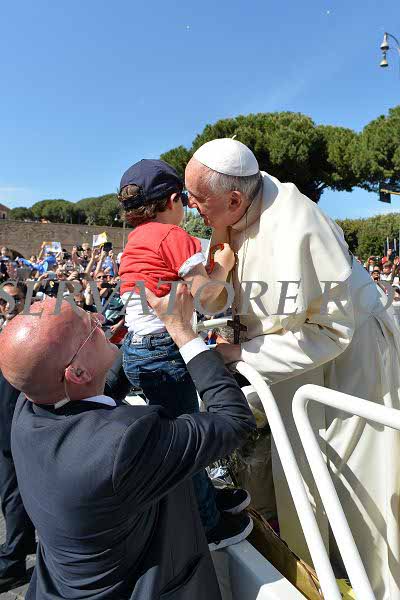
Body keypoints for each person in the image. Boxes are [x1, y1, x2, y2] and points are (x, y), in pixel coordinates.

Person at [185, 137, 400, 600]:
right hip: (292, 368)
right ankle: (313, 573)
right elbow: (223, 298)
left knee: (357, 487)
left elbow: (332, 331)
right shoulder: (231, 214)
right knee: (301, 475)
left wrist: (241, 355)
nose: (191, 207)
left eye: (196, 198)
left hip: (350, 368)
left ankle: (374, 587)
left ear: (234, 199)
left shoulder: (299, 224)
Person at [0, 289, 256, 600]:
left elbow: (99, 389)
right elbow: (234, 421)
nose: (100, 318)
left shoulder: (31, 407)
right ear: (77, 372)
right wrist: (182, 331)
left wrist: (143, 326)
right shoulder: (122, 445)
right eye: (92, 327)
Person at [118, 159, 251, 549]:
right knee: (188, 441)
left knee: (178, 429)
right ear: (173, 200)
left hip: (136, 351)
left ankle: (208, 498)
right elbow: (209, 300)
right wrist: (223, 267)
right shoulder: (172, 236)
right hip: (164, 349)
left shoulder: (136, 241)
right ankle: (208, 526)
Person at [0, 283, 36, 591]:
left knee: (15, 498)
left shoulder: (33, 334)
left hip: (21, 431)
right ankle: (18, 546)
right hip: (4, 430)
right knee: (11, 497)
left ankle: (13, 562)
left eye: (14, 299)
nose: (7, 305)